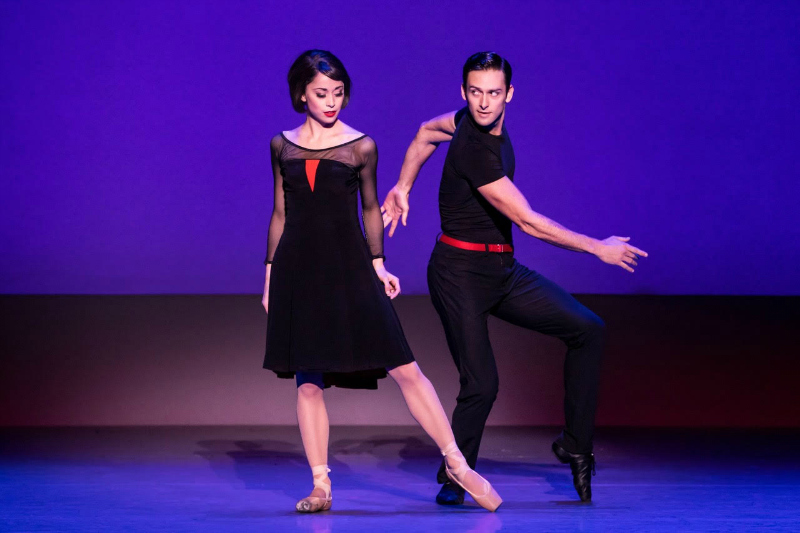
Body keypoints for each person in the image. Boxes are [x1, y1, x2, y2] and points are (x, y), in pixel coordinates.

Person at [381, 52, 647, 503]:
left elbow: (426, 132)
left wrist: (403, 185)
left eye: (493, 93)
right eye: (475, 92)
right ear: (464, 92)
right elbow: (527, 221)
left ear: (509, 94)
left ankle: (576, 447)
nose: (483, 103)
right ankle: (456, 476)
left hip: (501, 270)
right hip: (458, 274)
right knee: (482, 383)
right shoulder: (473, 147)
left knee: (588, 329)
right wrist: (597, 247)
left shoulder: (466, 121)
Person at [262, 50, 502, 513]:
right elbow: (279, 212)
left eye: (337, 93)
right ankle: (321, 485)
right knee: (308, 380)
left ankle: (457, 462)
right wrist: (270, 274)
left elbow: (371, 209)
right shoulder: (281, 145)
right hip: (299, 271)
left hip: (351, 266)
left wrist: (378, 263)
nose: (331, 102)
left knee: (405, 367)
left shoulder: (361, 146)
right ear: (301, 95)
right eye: (320, 94)